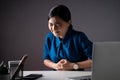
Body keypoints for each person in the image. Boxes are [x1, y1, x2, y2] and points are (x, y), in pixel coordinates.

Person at [43, 5, 93, 71]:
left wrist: (73, 66)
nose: (54, 28)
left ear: (69, 22)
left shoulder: (79, 37)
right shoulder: (49, 37)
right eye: (51, 24)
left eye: (58, 24)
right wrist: (56, 66)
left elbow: (96, 60)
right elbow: (46, 60)